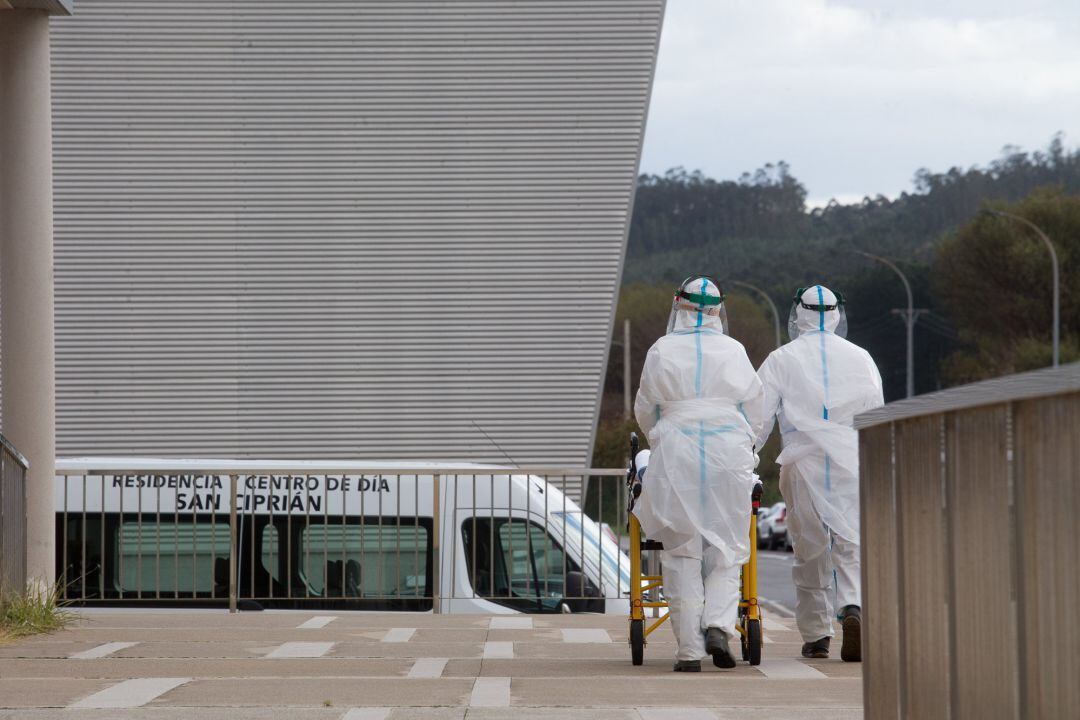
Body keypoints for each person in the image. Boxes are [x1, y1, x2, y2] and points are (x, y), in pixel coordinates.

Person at [633, 276, 764, 672]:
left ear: (679, 306)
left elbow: (646, 409)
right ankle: (719, 626)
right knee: (727, 549)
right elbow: (754, 411)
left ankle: (688, 651)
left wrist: (663, 433)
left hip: (677, 455)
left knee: (681, 552)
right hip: (728, 455)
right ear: (717, 310)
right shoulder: (734, 351)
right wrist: (746, 450)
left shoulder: (662, 350)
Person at [755, 285, 884, 662]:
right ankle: (853, 606)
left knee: (809, 548)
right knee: (851, 540)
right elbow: (876, 413)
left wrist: (744, 458)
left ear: (800, 313)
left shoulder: (780, 359)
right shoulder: (862, 358)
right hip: (850, 459)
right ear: (837, 314)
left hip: (803, 462)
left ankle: (817, 635)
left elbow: (758, 419)